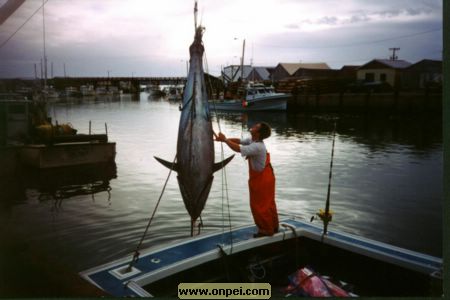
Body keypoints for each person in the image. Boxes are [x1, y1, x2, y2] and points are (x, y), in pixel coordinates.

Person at [215, 122, 279, 237]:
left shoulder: (257, 146)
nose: (253, 126)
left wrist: (225, 140)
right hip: (265, 177)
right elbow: (238, 141)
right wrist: (223, 139)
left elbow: (239, 149)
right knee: (268, 204)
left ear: (258, 133)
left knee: (260, 206)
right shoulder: (253, 141)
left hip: (263, 180)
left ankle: (266, 230)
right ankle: (273, 226)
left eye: (256, 126)